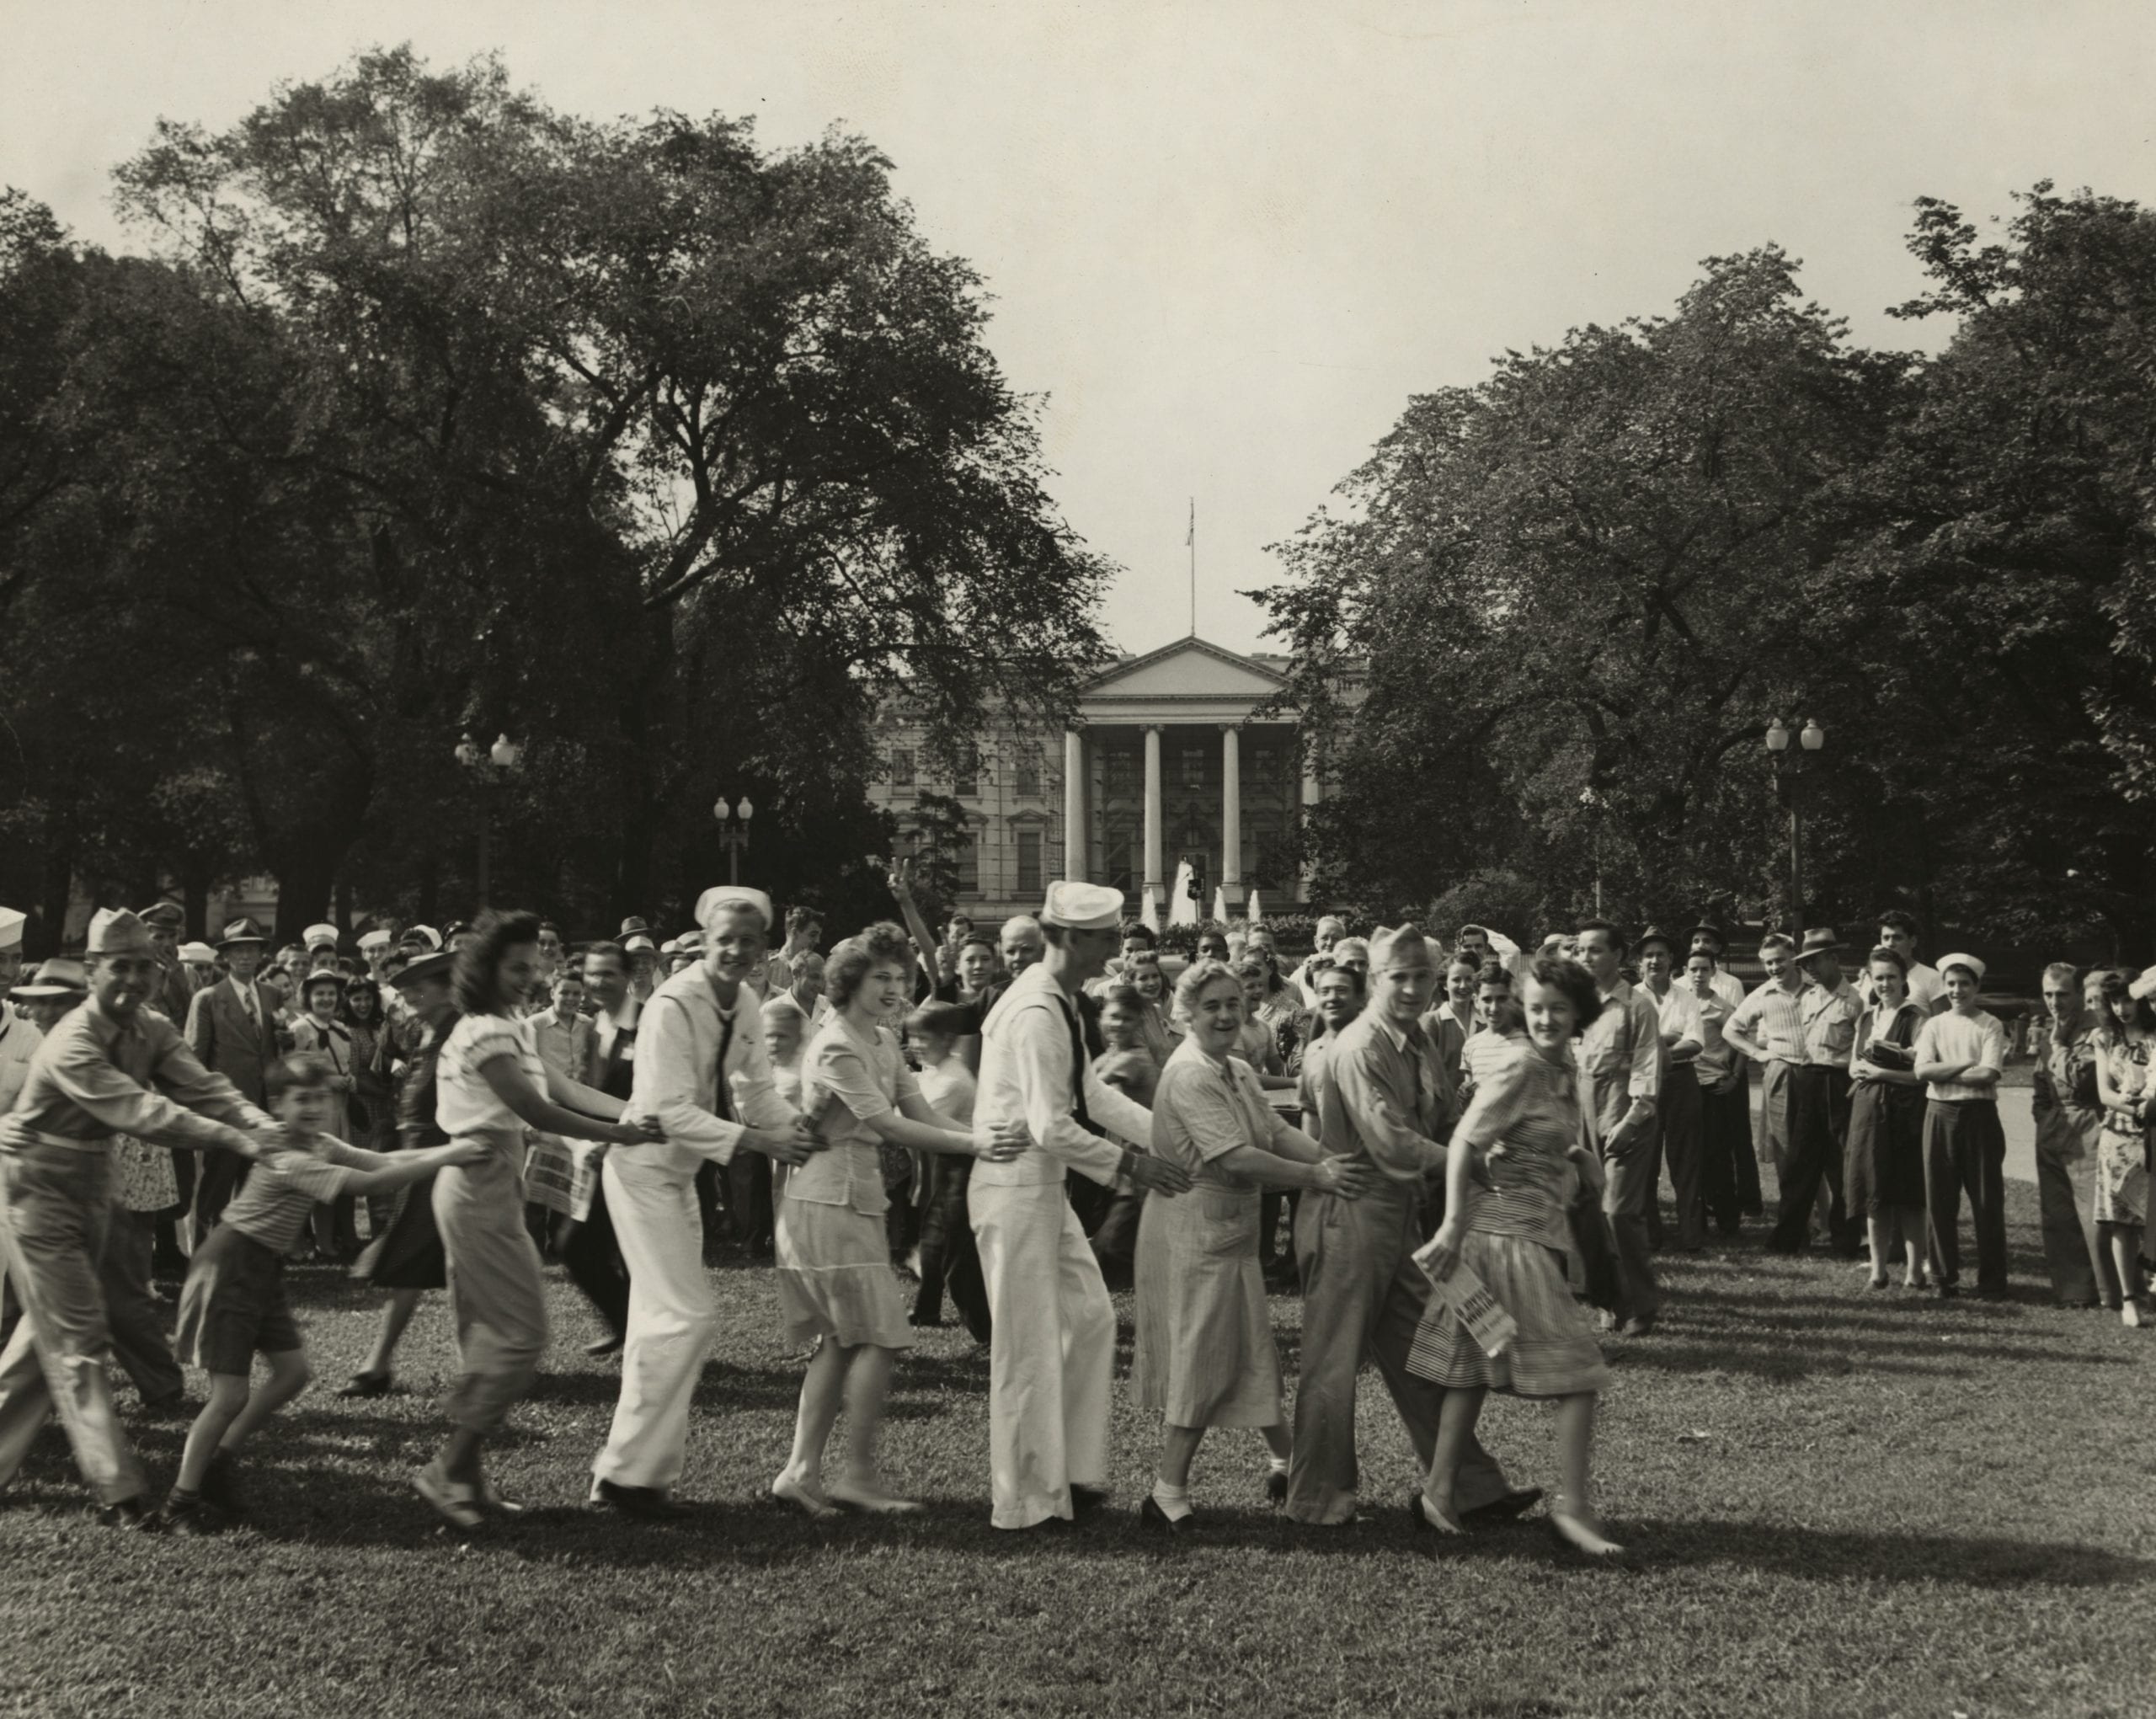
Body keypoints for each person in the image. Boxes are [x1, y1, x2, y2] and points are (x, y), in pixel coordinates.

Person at [0, 910, 272, 1528]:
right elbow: (147, 1112)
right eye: (116, 967)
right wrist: (248, 1140)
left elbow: (202, 1085)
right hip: (37, 1189)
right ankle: (119, 1492)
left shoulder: (151, 1024)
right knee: (79, 1339)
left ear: (157, 972)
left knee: (41, 1338)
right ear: (92, 972)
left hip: (95, 1184)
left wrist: (261, 1123)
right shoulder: (72, 1038)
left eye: (141, 967)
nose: (130, 980)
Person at [159, 1054, 483, 1535]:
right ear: (276, 1106)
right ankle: (180, 1501)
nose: (313, 1107)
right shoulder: (285, 1155)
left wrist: (449, 1148)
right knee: (229, 1394)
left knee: (291, 1373)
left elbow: (382, 1160)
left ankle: (220, 1461)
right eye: (300, 1098)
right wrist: (448, 1157)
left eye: (322, 1097)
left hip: (261, 1267)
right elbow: (370, 1183)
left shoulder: (320, 1143)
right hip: (229, 1266)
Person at [1286, 922, 1536, 1529]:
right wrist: (1470, 1162)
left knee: (1435, 1352)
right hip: (1349, 1219)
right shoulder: (1360, 1046)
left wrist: (1499, 1138)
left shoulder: (1415, 1041)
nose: (1413, 988)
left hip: (1397, 1219)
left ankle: (1468, 1488)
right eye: (1400, 977)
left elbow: (1449, 1113)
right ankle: (1317, 1502)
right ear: (1375, 981)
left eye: (1423, 976)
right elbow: (1393, 1144)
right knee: (1332, 1361)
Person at [771, 925, 1027, 1517]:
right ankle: (852, 1474)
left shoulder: (885, 1043)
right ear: (848, 982)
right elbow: (888, 1125)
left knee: (843, 1342)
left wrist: (987, 1134)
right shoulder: (835, 1043)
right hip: (824, 1202)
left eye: (900, 976)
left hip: (855, 1200)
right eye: (880, 977)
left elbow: (922, 1112)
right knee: (879, 1335)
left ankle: (801, 1471)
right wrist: (980, 1145)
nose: (894, 987)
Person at [414, 911, 654, 1529]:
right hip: (475, 1185)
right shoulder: (483, 1032)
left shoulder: (509, 1027)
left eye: (534, 965)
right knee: (519, 1337)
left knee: (492, 1338)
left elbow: (566, 1091)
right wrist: (621, 1133)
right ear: (484, 968)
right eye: (515, 966)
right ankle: (449, 1467)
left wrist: (644, 1112)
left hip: (491, 1185)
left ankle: (465, 1479)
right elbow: (535, 1111)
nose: (529, 976)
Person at [589, 888, 819, 1521]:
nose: (737, 950)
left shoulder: (745, 1000)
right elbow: (666, 1110)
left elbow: (755, 1090)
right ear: (703, 936)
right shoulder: (671, 1003)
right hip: (640, 1170)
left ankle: (636, 1477)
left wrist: (798, 1129)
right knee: (686, 1317)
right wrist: (761, 1139)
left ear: (763, 944)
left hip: (679, 1174)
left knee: (658, 1325)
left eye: (750, 939)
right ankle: (627, 1475)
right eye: (726, 937)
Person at [969, 881, 1193, 1531]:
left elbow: (1092, 1096)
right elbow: (1050, 1125)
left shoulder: (1062, 1001)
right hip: (1014, 1189)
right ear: (1070, 938)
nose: (1117, 949)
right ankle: (1025, 1501)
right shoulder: (1039, 1008)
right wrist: (1133, 1163)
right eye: (1105, 937)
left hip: (1041, 1190)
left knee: (1091, 1319)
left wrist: (1173, 1136)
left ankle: (1068, 1470)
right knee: (1027, 1346)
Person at [1134, 962, 1369, 1530]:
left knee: (1251, 1349)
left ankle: (1285, 1460)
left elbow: (1274, 1131)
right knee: (1203, 1358)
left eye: (1232, 1003)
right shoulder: (1189, 1073)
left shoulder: (1235, 1067)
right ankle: (1166, 1494)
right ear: (1185, 1014)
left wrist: (1328, 1157)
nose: (1223, 1015)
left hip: (1231, 1234)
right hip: (1192, 1233)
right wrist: (1318, 1178)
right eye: (1211, 1005)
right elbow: (1234, 1156)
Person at [1407, 957, 1624, 1560]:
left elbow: (1532, 1134)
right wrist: (1451, 1225)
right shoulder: (1525, 1064)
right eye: (1535, 1009)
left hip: (1527, 1234)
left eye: (1557, 1007)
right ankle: (1573, 1511)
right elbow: (1464, 1141)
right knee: (1580, 1375)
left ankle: (1438, 1494)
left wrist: (1578, 1154)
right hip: (1502, 1242)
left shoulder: (1562, 1067)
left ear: (1578, 1010)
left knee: (1469, 1372)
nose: (1546, 1018)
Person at [338, 952, 457, 1398]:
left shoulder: (461, 1032)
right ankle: (378, 1364)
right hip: (421, 1160)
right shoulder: (424, 1031)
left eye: (419, 987)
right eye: (404, 989)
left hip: (447, 1162)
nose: (408, 997)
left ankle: (378, 1365)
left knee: (425, 1261)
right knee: (417, 1262)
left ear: (447, 988)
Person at [1572, 921, 1662, 1331]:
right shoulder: (1579, 1002)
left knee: (1619, 1214)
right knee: (1590, 1214)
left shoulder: (1637, 1006)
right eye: (1580, 950)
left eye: (1594, 950)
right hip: (1583, 1114)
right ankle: (1610, 1302)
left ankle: (1642, 1307)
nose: (1584, 958)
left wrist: (1633, 1119)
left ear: (1619, 956)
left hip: (1623, 1116)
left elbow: (1648, 1068)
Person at [1913, 953, 2009, 1301]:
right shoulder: (1934, 1025)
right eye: (1951, 984)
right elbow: (1922, 1072)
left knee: (1987, 1201)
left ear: (1976, 987)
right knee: (1939, 1199)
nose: (1957, 991)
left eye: (1964, 984)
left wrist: (1947, 1068)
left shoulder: (1990, 1025)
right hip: (1939, 1115)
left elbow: (1989, 1075)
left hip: (1980, 1118)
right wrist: (1968, 1063)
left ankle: (1993, 1281)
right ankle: (1943, 1276)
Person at [182, 917, 281, 1246]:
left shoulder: (271, 994)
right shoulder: (209, 998)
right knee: (216, 1191)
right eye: (238, 950)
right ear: (225, 957)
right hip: (225, 1111)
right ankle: (205, 1257)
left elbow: (274, 1049)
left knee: (257, 1189)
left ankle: (248, 1259)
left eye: (251, 949)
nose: (245, 957)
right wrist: (203, 1111)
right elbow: (195, 1059)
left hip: (265, 1109)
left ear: (259, 955)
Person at [1767, 927, 1864, 1260]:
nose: (1809, 967)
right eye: (1805, 961)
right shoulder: (1809, 997)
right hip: (1809, 1082)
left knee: (1841, 1167)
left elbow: (1859, 1052)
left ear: (1835, 959)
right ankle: (1787, 1239)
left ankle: (1845, 1242)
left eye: (1816, 960)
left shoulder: (1855, 1001)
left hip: (1841, 1085)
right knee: (1799, 1164)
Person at [1846, 945, 1932, 1290]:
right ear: (1869, 979)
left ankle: (1913, 1272)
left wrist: (1881, 1073)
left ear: (1903, 980)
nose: (1885, 984)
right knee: (1874, 1189)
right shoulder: (1866, 1018)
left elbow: (1921, 1074)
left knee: (1910, 1194)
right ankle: (1878, 1271)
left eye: (1891, 977)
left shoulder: (1917, 1019)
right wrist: (1862, 1069)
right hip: (1868, 1111)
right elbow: (1854, 1065)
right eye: (1879, 977)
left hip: (1906, 1112)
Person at [905, 1001, 990, 1343]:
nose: (917, 1045)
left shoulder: (953, 1080)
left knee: (958, 1255)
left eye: (925, 1038)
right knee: (933, 1238)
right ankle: (926, 1308)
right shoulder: (937, 1069)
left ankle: (987, 1333)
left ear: (949, 1039)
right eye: (913, 1037)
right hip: (948, 1163)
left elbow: (915, 1120)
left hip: (965, 1168)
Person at [2030, 964, 2111, 1309]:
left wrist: (2059, 1044)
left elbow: (2082, 1078)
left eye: (2062, 994)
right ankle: (2073, 1290)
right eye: (2048, 994)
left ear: (2079, 994)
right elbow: (2040, 1081)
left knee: (2093, 1212)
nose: (2054, 1001)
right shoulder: (2051, 1027)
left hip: (2087, 1123)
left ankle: (2109, 1291)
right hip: (2053, 1124)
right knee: (2057, 1212)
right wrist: (2043, 1117)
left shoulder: (2096, 1029)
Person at [1086, 985, 1161, 1289]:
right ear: (1102, 1017)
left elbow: (1087, 1089)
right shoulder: (1112, 1054)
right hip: (1131, 1159)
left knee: (1115, 1240)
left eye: (1127, 1019)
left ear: (1139, 1023)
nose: (1118, 1024)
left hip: (1149, 1159)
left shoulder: (1133, 1060)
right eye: (1113, 1017)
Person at [1636, 927, 1705, 1253]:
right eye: (1649, 955)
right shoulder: (1631, 998)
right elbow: (1629, 1049)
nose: (1655, 961)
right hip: (1644, 1085)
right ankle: (1650, 1236)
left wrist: (1652, 1047)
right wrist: (1670, 1039)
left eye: (1660, 955)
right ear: (1640, 961)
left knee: (1686, 1160)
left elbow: (1695, 1044)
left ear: (1671, 959)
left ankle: (1691, 1237)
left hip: (1681, 1083)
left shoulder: (1687, 996)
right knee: (1645, 1162)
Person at [2091, 969, 2154, 1324]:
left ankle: (2150, 1284)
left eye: (2127, 999)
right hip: (2118, 1136)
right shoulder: (2104, 1038)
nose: (2121, 1008)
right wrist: (2136, 1107)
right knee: (2122, 1221)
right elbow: (2104, 1093)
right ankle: (2129, 1299)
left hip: (2154, 1134)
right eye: (2114, 1001)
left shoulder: (2155, 1035)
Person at [1724, 932, 1803, 1211]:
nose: (1774, 968)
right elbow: (1730, 1030)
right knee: (1785, 1152)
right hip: (1782, 1077)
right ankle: (1796, 1222)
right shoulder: (1763, 993)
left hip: (1818, 1074)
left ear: (1794, 957)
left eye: (1780, 960)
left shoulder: (1814, 987)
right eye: (1768, 963)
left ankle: (1828, 1220)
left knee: (1822, 1149)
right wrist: (1758, 1053)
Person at [290, 972, 362, 1262]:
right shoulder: (300, 1029)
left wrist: (351, 1080)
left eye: (331, 994)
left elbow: (349, 1064)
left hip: (341, 1110)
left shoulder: (342, 1029)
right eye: (319, 994)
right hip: (315, 1111)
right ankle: (309, 1242)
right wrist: (325, 1082)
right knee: (314, 1175)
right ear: (308, 998)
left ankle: (335, 1237)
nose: (326, 999)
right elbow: (292, 1072)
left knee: (340, 1171)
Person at [1686, 951, 1748, 1237]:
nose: (1698, 975)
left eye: (1703, 969)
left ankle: (1728, 1219)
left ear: (1714, 971)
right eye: (1693, 970)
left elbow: (1740, 1043)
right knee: (1691, 1155)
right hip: (1687, 1085)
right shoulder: (1682, 1003)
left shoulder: (1723, 1008)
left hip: (1713, 1085)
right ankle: (1697, 1216)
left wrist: (1735, 1076)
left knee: (1718, 1155)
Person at [1862, 911, 1945, 1013]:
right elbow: (1865, 1019)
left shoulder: (1932, 978)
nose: (1890, 944)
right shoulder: (1874, 976)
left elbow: (1943, 1025)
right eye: (1886, 938)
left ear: (1913, 941)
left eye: (1897, 938)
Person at [1289, 916, 1348, 1005]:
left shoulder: (1350, 970)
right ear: (1316, 941)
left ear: (1344, 942)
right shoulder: (1302, 973)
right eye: (1324, 938)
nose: (1330, 943)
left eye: (1336, 938)